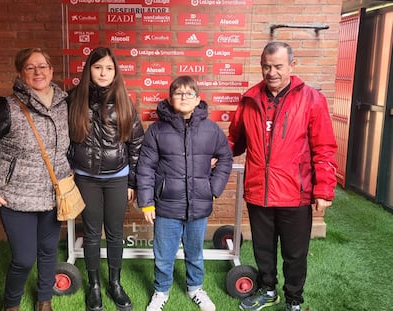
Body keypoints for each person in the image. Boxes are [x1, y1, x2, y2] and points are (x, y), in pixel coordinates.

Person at [228, 41, 337, 311]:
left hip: (295, 194)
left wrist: (324, 189)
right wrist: (214, 154)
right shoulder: (250, 99)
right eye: (266, 66)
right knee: (263, 250)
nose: (272, 72)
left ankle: (293, 301)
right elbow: (235, 141)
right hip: (258, 192)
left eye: (278, 66)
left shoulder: (312, 99)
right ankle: (267, 290)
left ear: (292, 65)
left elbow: (324, 148)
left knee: (294, 254)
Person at [0, 48, 70, 311]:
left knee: (48, 251)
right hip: (16, 197)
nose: (38, 72)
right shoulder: (6, 106)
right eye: (30, 68)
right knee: (23, 258)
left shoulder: (65, 104)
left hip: (54, 195)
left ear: (51, 71)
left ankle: (44, 300)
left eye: (43, 66)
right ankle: (11, 304)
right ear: (21, 73)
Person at [136, 75, 233, 311]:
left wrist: (213, 189)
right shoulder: (157, 130)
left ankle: (195, 288)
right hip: (166, 206)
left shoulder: (211, 129)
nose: (184, 97)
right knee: (163, 254)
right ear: (170, 99)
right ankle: (161, 291)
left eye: (189, 93)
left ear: (198, 99)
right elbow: (145, 167)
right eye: (178, 93)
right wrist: (147, 203)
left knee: (195, 252)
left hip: (198, 206)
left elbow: (225, 158)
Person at [67, 47, 144, 311]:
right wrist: (68, 170)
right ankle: (95, 286)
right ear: (89, 69)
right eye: (98, 67)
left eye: (108, 68)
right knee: (90, 233)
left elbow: (136, 144)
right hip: (86, 178)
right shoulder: (74, 98)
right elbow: (63, 139)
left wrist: (132, 181)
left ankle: (115, 284)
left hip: (117, 178)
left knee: (114, 232)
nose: (103, 72)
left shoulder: (124, 99)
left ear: (115, 71)